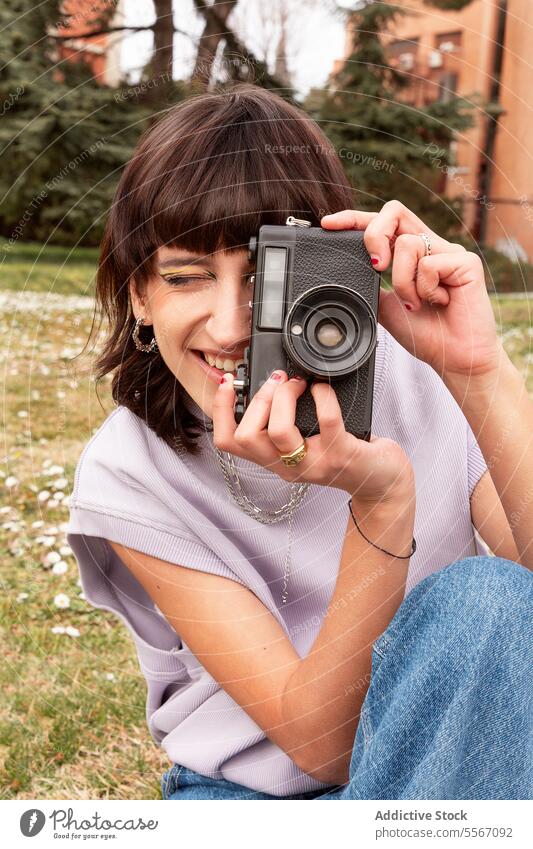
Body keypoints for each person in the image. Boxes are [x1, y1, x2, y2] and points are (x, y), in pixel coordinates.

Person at [67, 85, 533, 801]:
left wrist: (479, 372)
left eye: (263, 274)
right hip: (259, 798)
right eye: (186, 277)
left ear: (330, 262)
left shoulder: (417, 377)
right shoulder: (130, 468)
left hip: (453, 747)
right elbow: (319, 748)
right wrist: (378, 503)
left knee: (493, 599)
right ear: (137, 294)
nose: (226, 326)